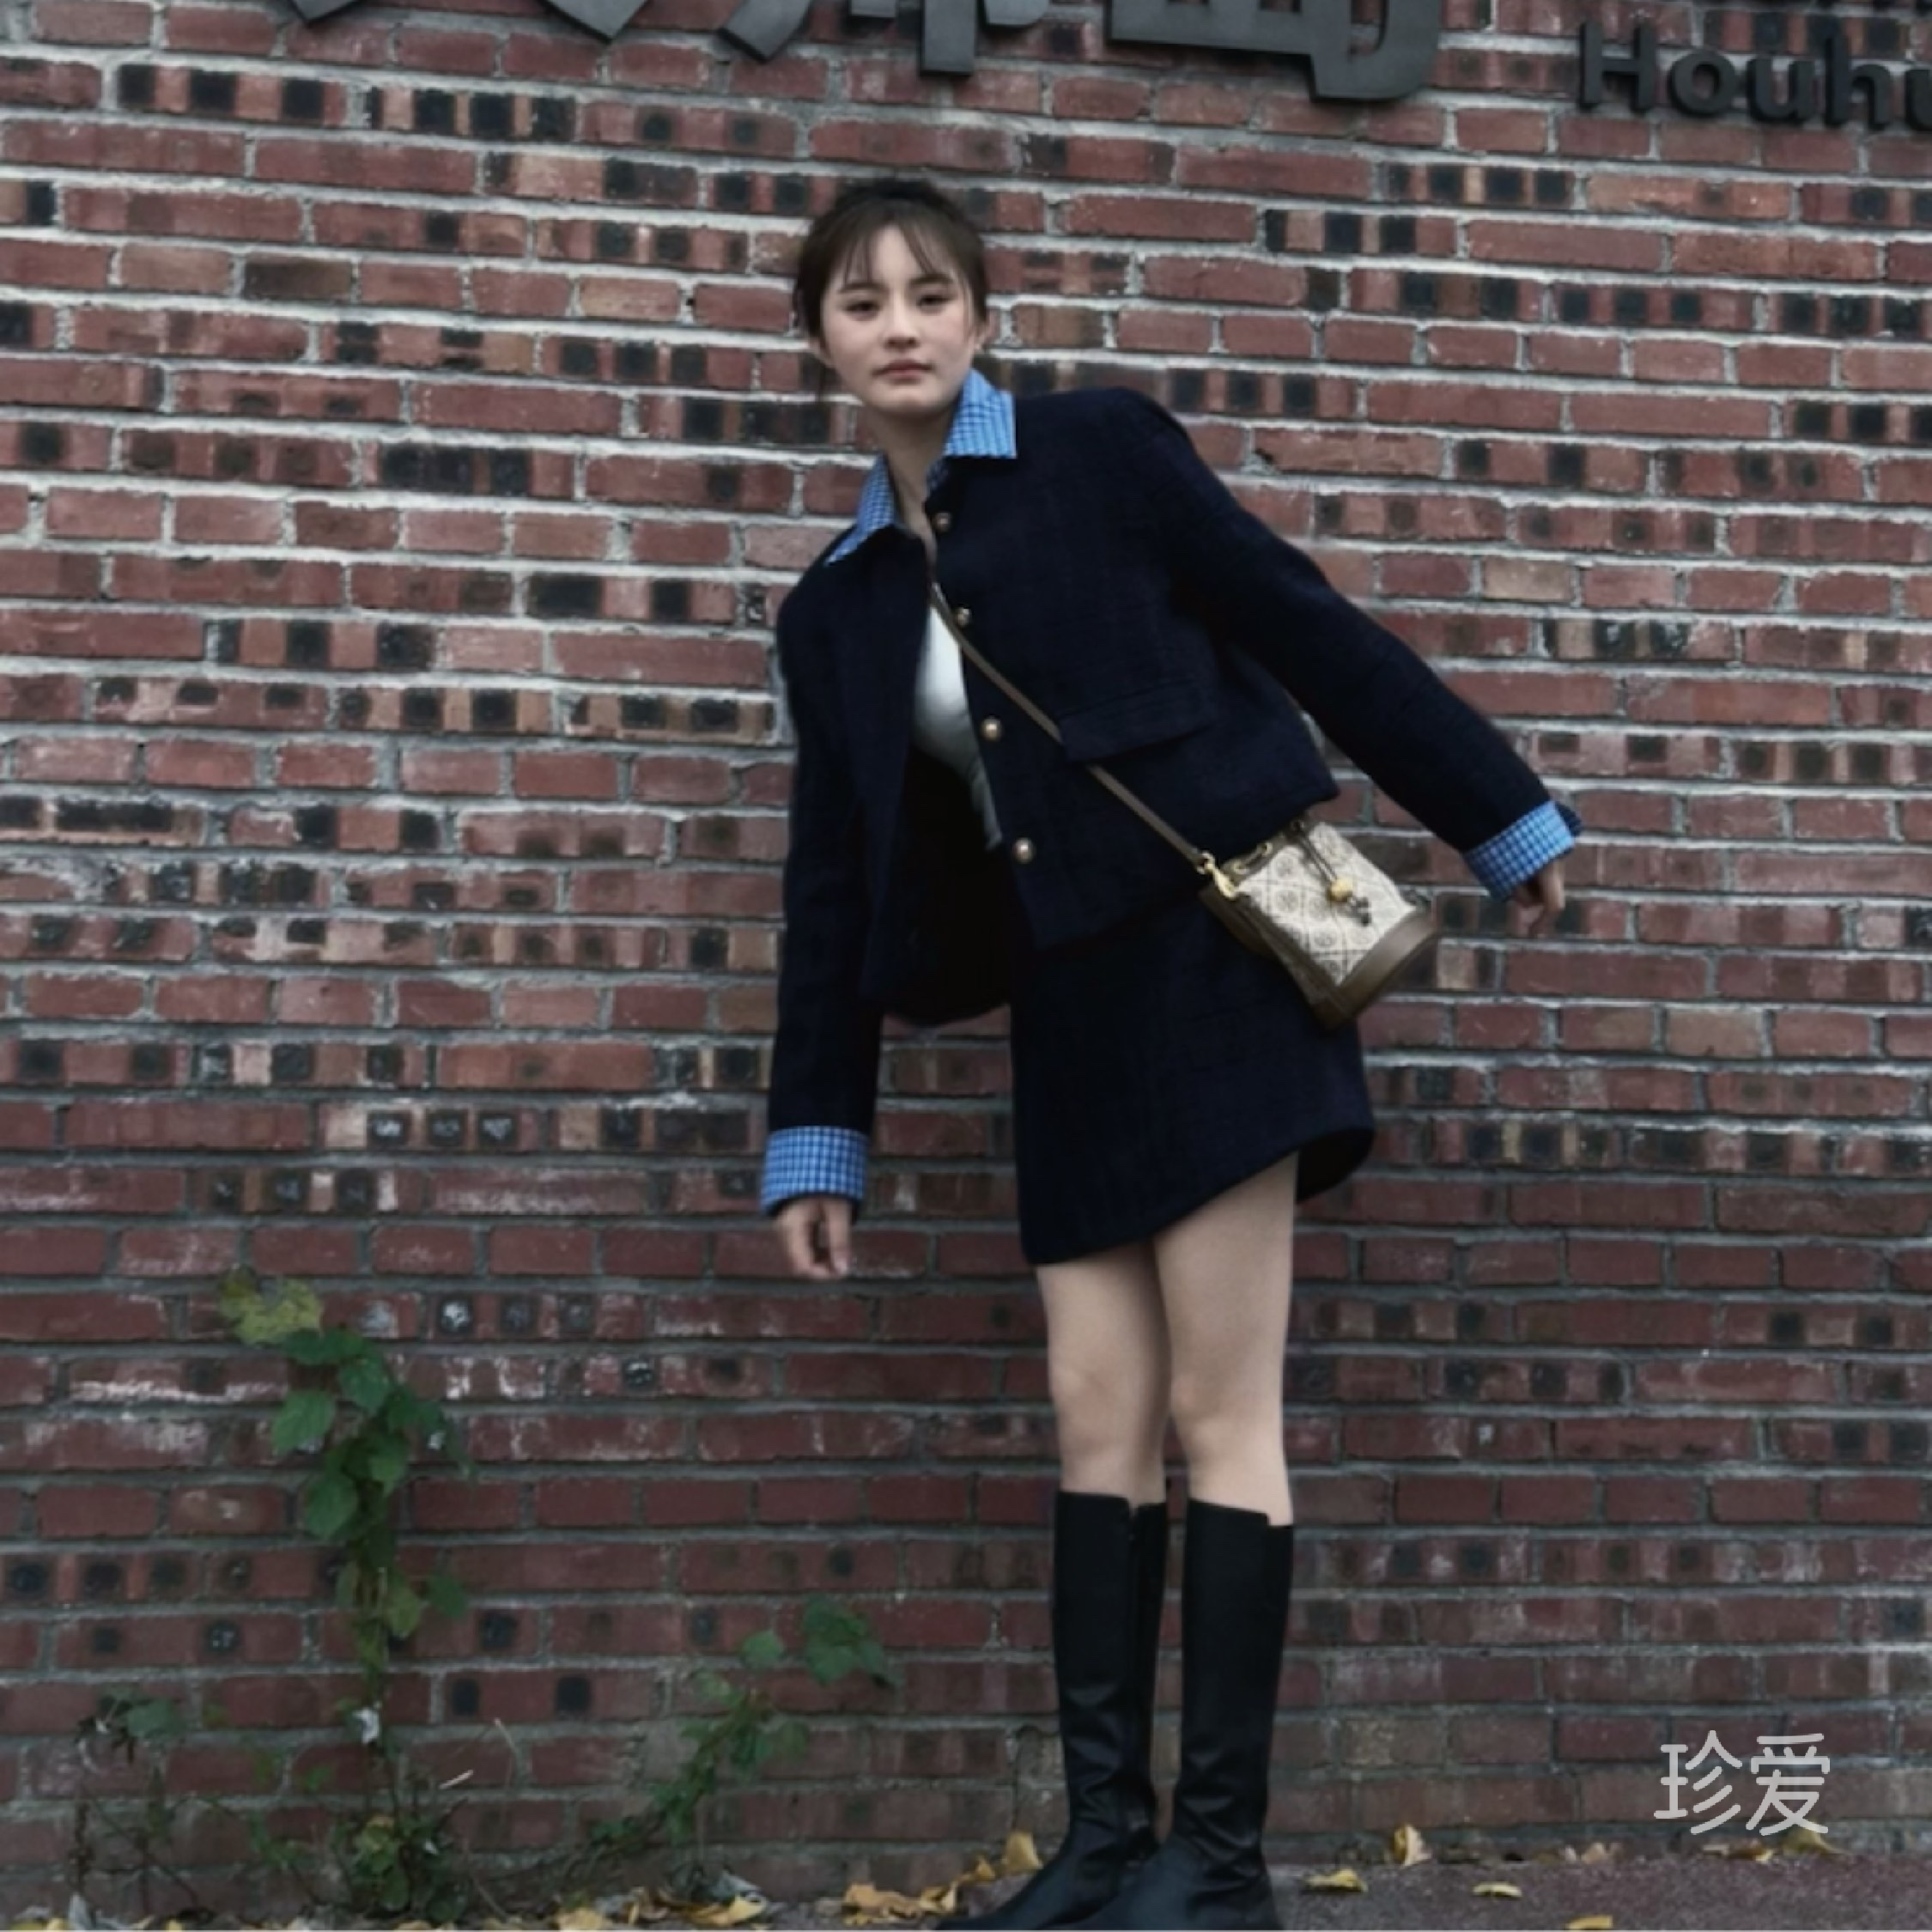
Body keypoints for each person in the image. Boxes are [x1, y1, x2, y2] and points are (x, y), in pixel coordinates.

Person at [758, 175, 1577, 1932]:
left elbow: (1302, 625)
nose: (899, 326)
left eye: (930, 293)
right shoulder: (832, 608)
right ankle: (1104, 1844)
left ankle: (1218, 1861)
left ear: (982, 316)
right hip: (1064, 1014)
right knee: (1094, 1414)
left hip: (1217, 976)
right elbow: (835, 883)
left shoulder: (1103, 454)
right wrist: (818, 1135)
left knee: (1219, 1411)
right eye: (860, 301)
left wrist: (1498, 813)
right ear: (815, 338)